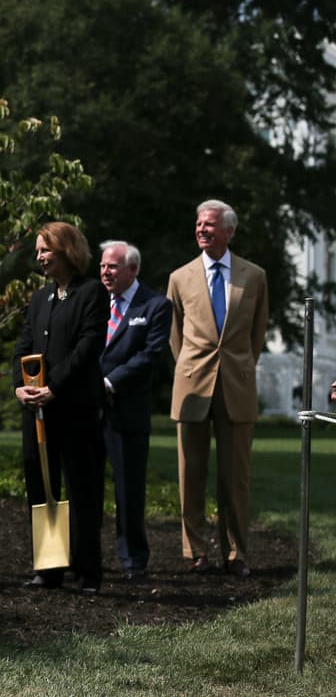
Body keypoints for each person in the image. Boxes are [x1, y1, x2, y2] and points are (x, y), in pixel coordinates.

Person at [167, 199, 268, 577]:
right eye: (198, 224)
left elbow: (257, 334)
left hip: (237, 387)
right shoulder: (180, 277)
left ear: (229, 230)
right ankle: (196, 551)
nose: (201, 229)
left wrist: (238, 367)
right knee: (190, 474)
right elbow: (175, 336)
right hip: (192, 385)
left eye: (209, 224)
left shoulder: (254, 276)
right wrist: (191, 366)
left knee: (235, 477)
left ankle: (236, 553)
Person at [13, 222, 109, 594]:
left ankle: (88, 572)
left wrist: (55, 387)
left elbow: (88, 347)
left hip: (77, 411)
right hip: (38, 413)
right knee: (42, 487)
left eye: (45, 250)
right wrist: (21, 387)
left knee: (82, 490)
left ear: (66, 250)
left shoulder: (92, 294)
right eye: (38, 251)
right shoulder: (40, 300)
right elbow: (23, 345)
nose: (39, 257)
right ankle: (49, 569)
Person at [98, 240, 172, 581]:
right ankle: (84, 557)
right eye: (102, 266)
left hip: (126, 411)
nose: (105, 271)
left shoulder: (156, 305)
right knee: (86, 488)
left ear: (133, 269)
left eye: (112, 266)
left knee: (129, 489)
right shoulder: (94, 302)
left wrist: (110, 382)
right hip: (88, 411)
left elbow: (151, 355)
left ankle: (133, 560)